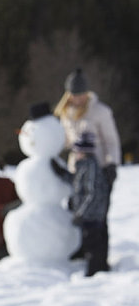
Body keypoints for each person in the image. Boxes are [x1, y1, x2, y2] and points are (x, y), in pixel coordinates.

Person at [54, 67, 121, 260]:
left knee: (97, 216)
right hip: (78, 169)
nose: (78, 98)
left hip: (100, 170)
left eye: (81, 94)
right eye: (74, 94)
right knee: (76, 210)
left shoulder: (100, 112)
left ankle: (100, 256)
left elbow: (111, 141)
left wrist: (111, 165)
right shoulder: (65, 114)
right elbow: (65, 141)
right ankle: (82, 249)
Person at [51, 132, 110, 276]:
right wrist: (61, 173)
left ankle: (96, 272)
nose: (75, 153)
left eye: (76, 150)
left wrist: (81, 213)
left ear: (83, 151)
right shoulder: (84, 166)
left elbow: (92, 193)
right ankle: (97, 269)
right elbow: (77, 184)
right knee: (91, 242)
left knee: (94, 245)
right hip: (89, 215)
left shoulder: (90, 167)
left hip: (93, 216)